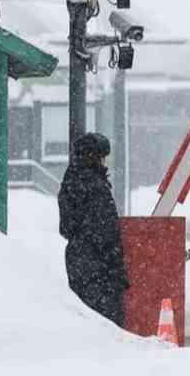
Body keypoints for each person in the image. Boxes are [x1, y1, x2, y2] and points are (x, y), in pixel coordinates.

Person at [58, 132, 130, 326]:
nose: (103, 162)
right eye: (101, 157)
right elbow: (107, 234)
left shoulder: (68, 184)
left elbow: (65, 228)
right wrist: (117, 272)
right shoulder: (97, 188)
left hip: (77, 262)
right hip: (100, 269)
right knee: (107, 326)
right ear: (93, 157)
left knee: (84, 321)